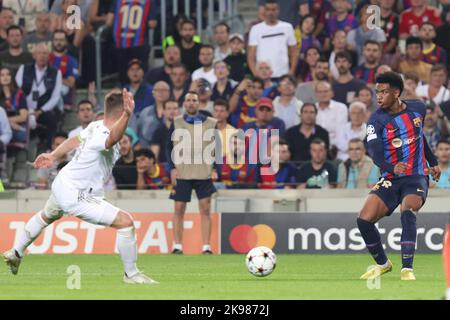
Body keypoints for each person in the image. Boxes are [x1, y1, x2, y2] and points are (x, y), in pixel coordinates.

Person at [2, 88, 158, 284]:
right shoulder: (106, 132)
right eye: (127, 112)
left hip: (63, 182)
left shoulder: (94, 126)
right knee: (126, 222)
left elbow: (74, 140)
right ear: (121, 112)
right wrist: (127, 114)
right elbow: (112, 139)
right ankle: (131, 274)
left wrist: (53, 155)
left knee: (46, 215)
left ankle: (16, 251)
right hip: (76, 193)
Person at [358, 72, 441, 281]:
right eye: (377, 92)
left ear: (396, 93)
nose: (379, 97)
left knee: (408, 209)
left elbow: (420, 135)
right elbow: (375, 153)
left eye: (384, 92)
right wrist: (392, 167)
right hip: (391, 176)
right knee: (364, 220)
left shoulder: (418, 108)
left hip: (416, 176)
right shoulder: (375, 121)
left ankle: (407, 268)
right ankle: (384, 264)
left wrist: (433, 162)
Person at [167, 91, 218, 255]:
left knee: (205, 208)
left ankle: (206, 247)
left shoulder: (211, 122)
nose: (191, 103)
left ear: (199, 103)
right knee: (178, 209)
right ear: (184, 104)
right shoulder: (176, 122)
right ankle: (177, 246)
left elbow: (217, 147)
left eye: (194, 100)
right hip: (182, 171)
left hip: (204, 171)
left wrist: (215, 167)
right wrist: (172, 167)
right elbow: (169, 147)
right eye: (188, 100)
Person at [15, 43, 63, 150]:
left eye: (45, 53)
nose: (42, 56)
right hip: (24, 109)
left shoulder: (55, 72)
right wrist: (25, 110)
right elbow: (17, 92)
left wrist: (40, 111)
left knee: (53, 118)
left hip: (43, 110)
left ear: (49, 56)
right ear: (34, 55)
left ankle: (50, 148)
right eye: (39, 53)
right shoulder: (24, 69)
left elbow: (55, 97)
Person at [106, 0, 157, 85]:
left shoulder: (117, 2)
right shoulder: (148, 2)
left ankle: (124, 94)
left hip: (121, 43)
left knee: (124, 75)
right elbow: (152, 24)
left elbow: (109, 22)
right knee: (142, 75)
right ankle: (141, 95)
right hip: (139, 42)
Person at [247, 0, 298, 79]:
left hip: (283, 75)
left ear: (278, 10)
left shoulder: (287, 27)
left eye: (274, 10)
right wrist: (256, 75)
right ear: (264, 11)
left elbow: (294, 52)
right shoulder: (255, 29)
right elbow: (251, 56)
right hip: (262, 77)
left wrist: (291, 72)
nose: (271, 12)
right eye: (268, 10)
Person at [315, 81, 348, 159]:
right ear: (316, 94)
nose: (323, 94)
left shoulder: (341, 108)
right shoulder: (312, 109)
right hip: (315, 147)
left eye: (326, 91)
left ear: (332, 93)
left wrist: (331, 148)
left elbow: (340, 132)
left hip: (336, 148)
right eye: (320, 92)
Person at [49, 29, 79, 110]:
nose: (59, 43)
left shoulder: (71, 60)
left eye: (61, 40)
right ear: (52, 41)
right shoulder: (46, 58)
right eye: (56, 40)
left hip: (64, 93)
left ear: (66, 42)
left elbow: (70, 83)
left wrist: (53, 77)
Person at [0, 67, 28, 143]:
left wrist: (6, 122)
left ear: (12, 77)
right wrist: (7, 123)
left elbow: (23, 117)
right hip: (2, 127)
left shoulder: (19, 94)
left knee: (18, 134)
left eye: (8, 74)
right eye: (2, 75)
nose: (5, 77)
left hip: (17, 128)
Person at [150, 99, 180, 163]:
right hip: (164, 168)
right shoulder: (158, 131)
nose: (172, 111)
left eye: (175, 108)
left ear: (179, 111)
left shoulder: (185, 130)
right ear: (163, 111)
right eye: (169, 108)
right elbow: (154, 156)